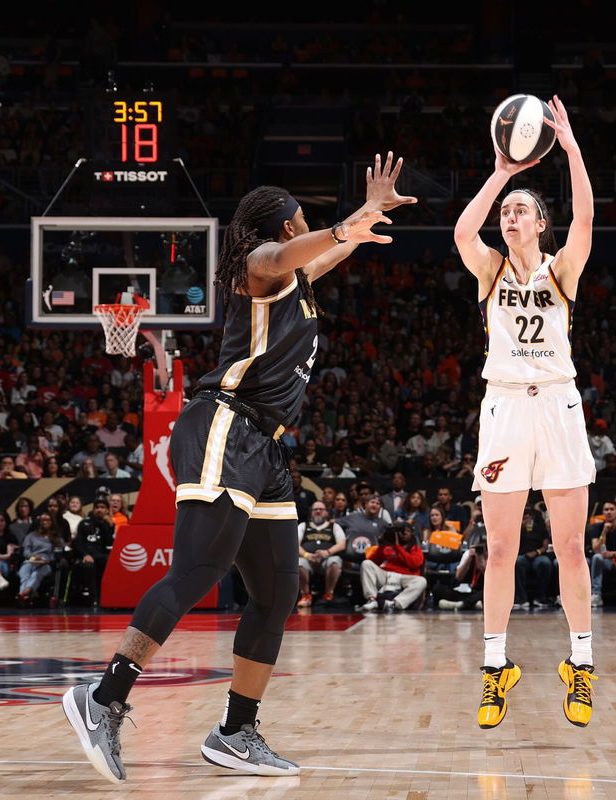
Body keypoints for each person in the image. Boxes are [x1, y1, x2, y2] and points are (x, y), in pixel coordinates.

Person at [63, 155, 415, 782]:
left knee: (279, 590)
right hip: (225, 423)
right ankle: (104, 697)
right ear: (283, 226)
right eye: (301, 219)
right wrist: (342, 228)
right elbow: (284, 259)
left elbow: (325, 257)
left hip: (268, 447)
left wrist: (368, 216)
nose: (308, 225)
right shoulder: (258, 267)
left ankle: (235, 731)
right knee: (200, 569)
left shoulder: (297, 278)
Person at [455, 95, 598, 730]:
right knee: (503, 545)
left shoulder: (562, 268)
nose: (511, 215)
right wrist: (501, 175)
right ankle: (495, 669)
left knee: (570, 545)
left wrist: (568, 148)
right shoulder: (487, 269)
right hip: (505, 408)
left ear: (539, 224)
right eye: (507, 211)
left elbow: (588, 217)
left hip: (559, 405)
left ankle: (581, 664)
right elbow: (462, 231)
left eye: (521, 210)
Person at [359, 520, 426, 612]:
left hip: (405, 577)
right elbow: (372, 561)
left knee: (422, 581)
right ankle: (372, 599)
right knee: (366, 564)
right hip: (386, 575)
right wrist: (382, 544)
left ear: (412, 534)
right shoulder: (388, 547)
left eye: (407, 531)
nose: (404, 533)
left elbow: (415, 564)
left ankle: (395, 604)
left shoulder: (415, 548)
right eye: (402, 531)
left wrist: (398, 547)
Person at [296, 501, 345, 606]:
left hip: (326, 559)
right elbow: (294, 544)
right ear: (311, 512)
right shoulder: (303, 526)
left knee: (335, 561)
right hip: (308, 559)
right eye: (315, 509)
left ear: (326, 512)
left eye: (321, 509)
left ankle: (328, 594)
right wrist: (307, 555)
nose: (318, 511)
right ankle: (305, 595)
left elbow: (342, 544)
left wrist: (327, 552)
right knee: (298, 563)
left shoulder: (334, 526)